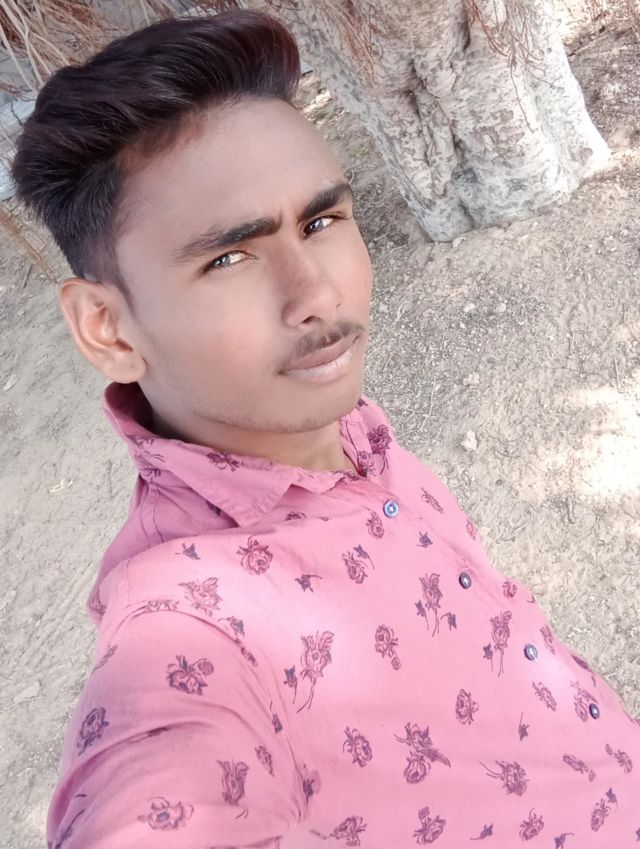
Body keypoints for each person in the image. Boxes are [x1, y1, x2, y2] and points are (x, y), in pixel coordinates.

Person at [12, 10, 640, 849]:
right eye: (228, 257)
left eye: (319, 222)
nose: (317, 294)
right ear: (108, 329)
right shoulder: (189, 624)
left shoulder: (340, 426)